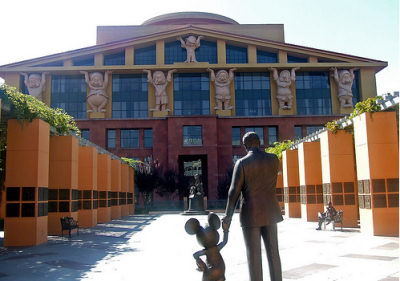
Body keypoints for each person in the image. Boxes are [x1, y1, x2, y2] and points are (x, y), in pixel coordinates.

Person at [222, 132, 283, 281]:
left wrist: (227, 217)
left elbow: (233, 191)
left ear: (245, 145)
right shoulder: (274, 159)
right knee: (274, 253)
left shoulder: (242, 163)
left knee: (254, 255)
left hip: (251, 214)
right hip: (271, 211)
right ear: (259, 142)